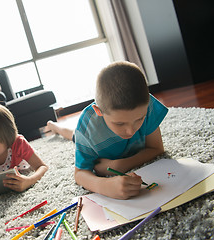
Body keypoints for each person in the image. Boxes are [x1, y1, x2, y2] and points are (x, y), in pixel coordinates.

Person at [47, 61, 168, 200]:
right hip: (82, 136)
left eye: (139, 119)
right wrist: (105, 186)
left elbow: (157, 149)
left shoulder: (148, 105)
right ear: (98, 111)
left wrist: (118, 165)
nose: (130, 131)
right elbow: (80, 173)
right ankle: (54, 126)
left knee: (74, 135)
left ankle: (55, 126)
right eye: (120, 123)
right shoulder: (86, 129)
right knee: (74, 135)